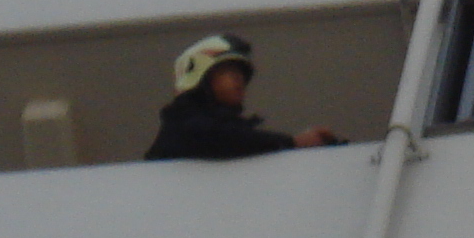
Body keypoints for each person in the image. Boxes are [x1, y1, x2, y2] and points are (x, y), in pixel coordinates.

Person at [145, 33, 340, 161]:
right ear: (200, 78)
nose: (238, 79)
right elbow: (222, 139)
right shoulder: (184, 126)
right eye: (228, 71)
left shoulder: (230, 133)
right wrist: (294, 143)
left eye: (240, 73)